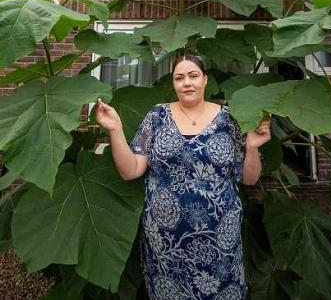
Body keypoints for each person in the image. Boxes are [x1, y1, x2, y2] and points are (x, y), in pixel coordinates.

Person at [96, 54, 271, 300]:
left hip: (219, 240)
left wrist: (252, 147)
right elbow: (131, 169)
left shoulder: (229, 120)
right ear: (174, 84)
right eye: (180, 77)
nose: (187, 82)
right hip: (166, 242)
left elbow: (249, 179)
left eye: (193, 76)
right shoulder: (157, 117)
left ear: (205, 80)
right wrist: (115, 129)